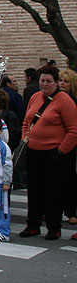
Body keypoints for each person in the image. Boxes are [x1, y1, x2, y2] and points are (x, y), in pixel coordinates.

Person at [19, 65, 77, 240]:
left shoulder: (64, 100)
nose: (45, 84)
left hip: (54, 154)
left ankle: (54, 228)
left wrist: (61, 151)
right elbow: (26, 122)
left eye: (49, 81)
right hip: (33, 152)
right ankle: (33, 225)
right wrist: (25, 139)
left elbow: (74, 129)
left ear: (56, 82)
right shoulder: (35, 97)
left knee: (53, 192)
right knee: (34, 191)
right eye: (42, 81)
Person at [58, 68, 77, 229]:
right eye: (61, 81)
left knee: (70, 180)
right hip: (57, 147)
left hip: (68, 148)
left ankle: (71, 211)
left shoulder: (72, 101)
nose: (62, 84)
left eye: (66, 81)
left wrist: (63, 148)